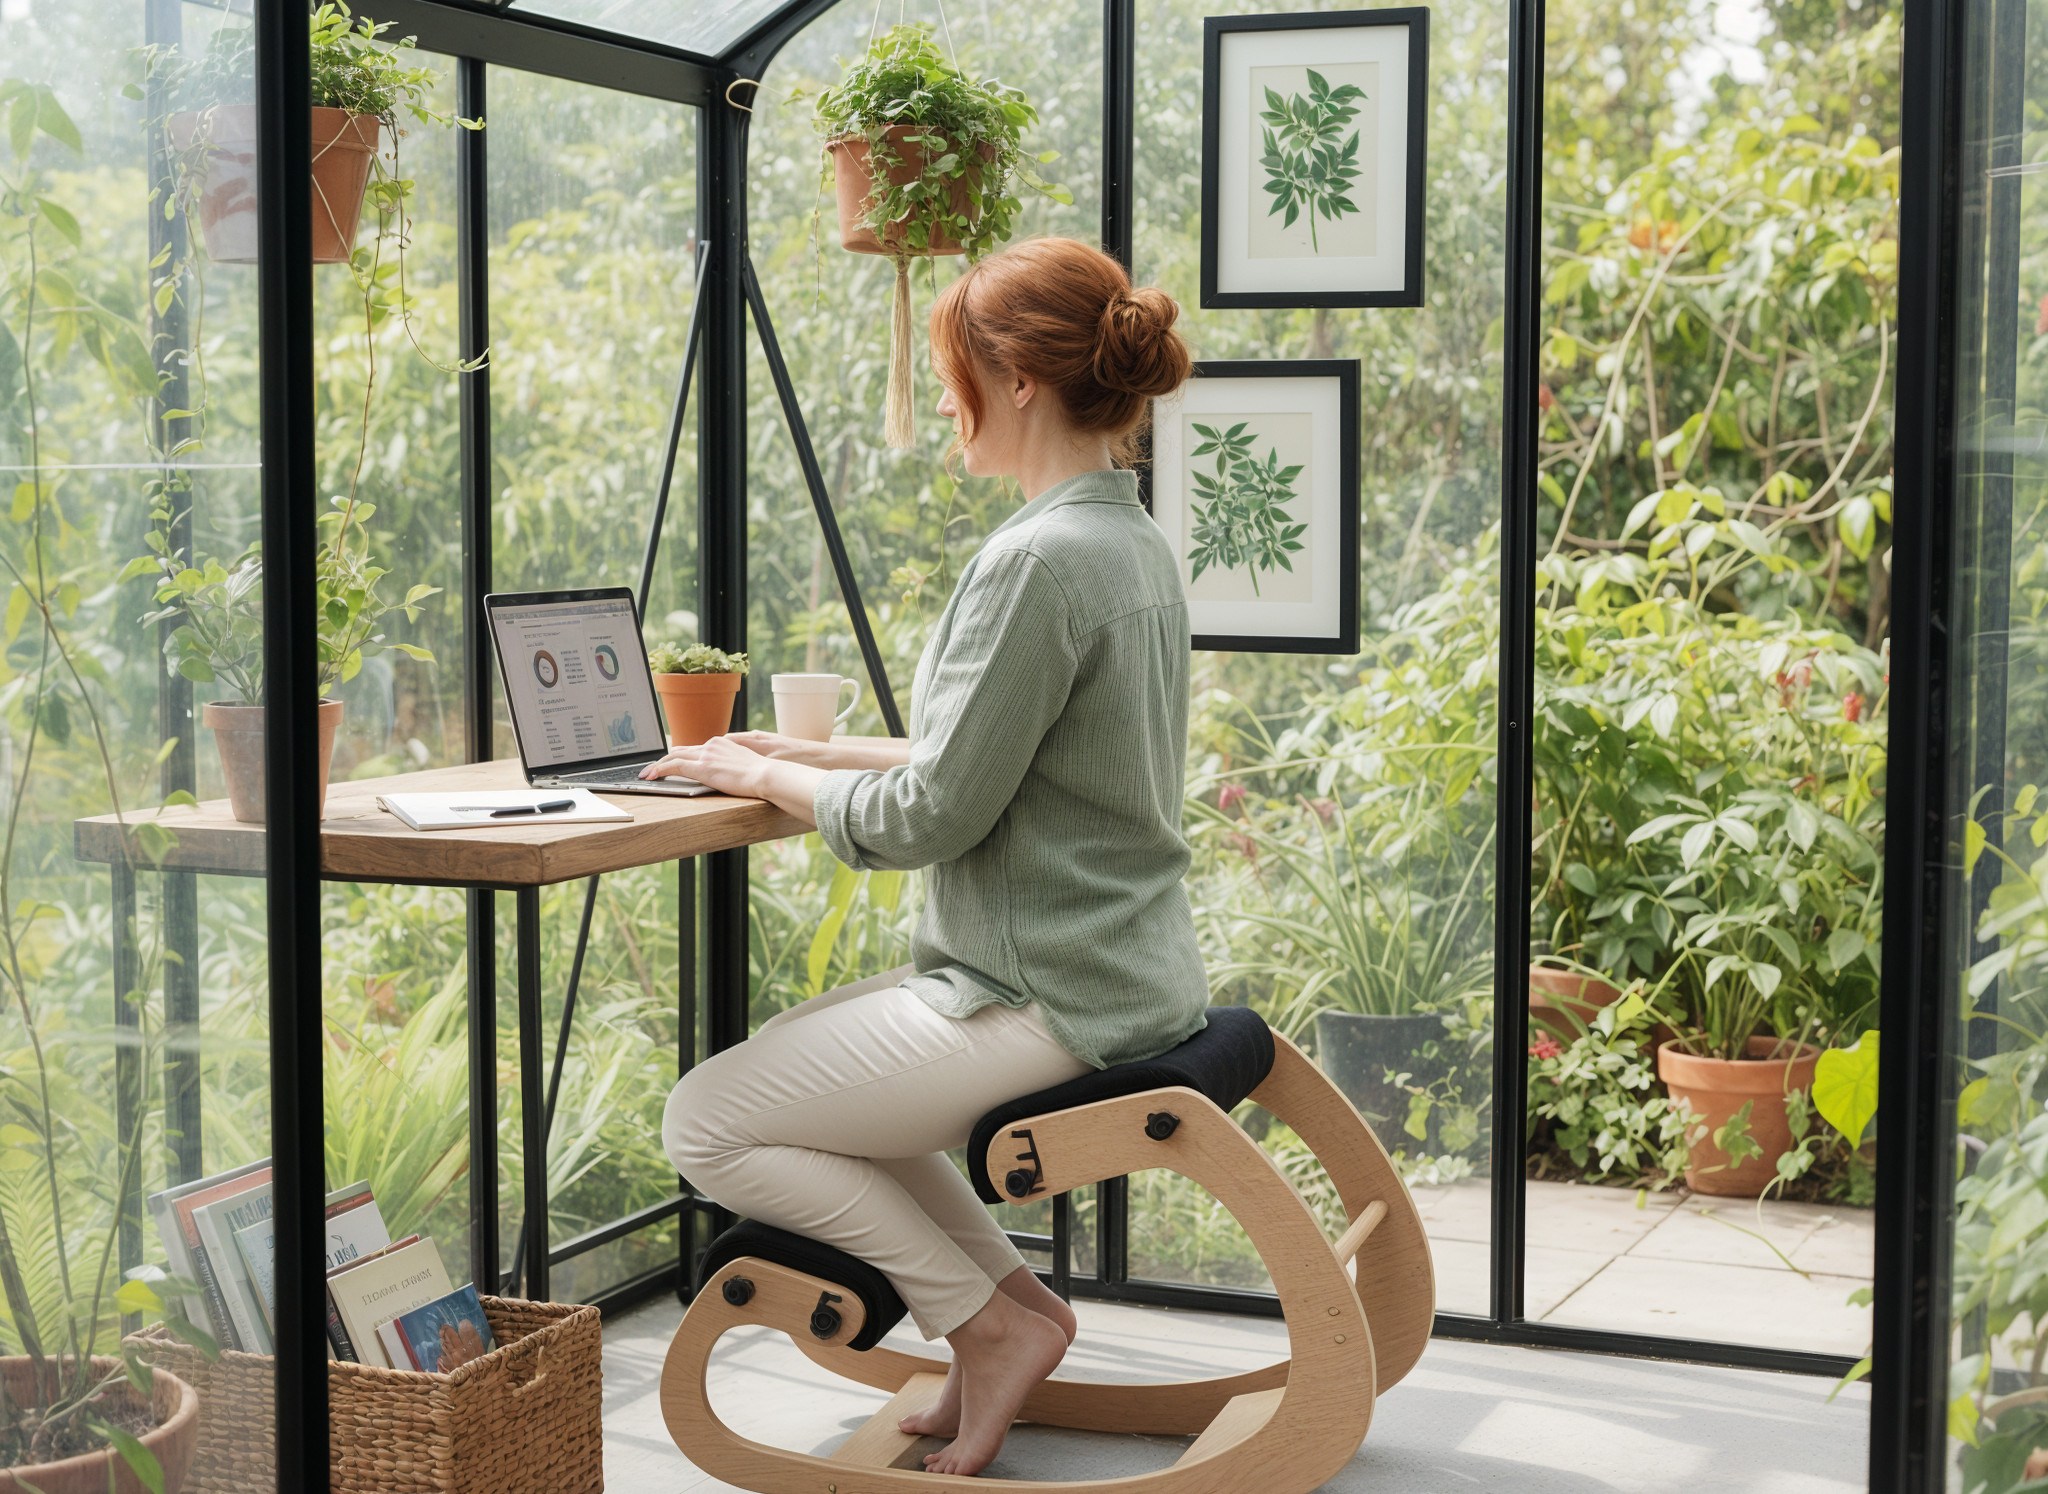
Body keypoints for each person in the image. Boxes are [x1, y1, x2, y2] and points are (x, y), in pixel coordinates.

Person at [647, 236, 1208, 1478]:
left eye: (953, 369)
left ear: (1014, 381)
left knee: (706, 1121)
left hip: (1042, 991)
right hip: (1118, 968)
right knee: (819, 1099)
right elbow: (1002, 762)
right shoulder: (1125, 545)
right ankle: (1018, 1315)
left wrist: (767, 780)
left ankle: (985, 1325)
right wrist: (811, 757)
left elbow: (931, 819)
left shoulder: (1033, 561)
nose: (941, 399)